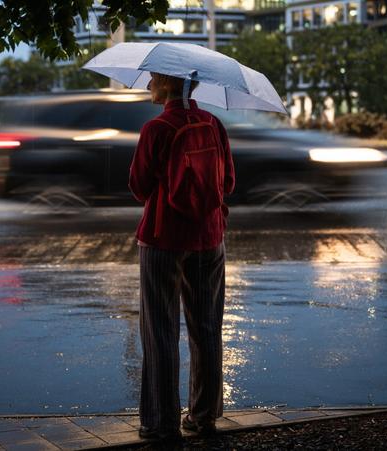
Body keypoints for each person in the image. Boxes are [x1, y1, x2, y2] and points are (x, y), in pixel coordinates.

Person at [129, 72, 235, 441]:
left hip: (163, 238)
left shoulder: (156, 129)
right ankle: (204, 415)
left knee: (160, 330)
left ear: (171, 85)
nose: (148, 86)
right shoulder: (213, 124)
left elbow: (138, 186)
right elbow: (229, 183)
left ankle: (161, 422)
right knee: (206, 327)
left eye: (154, 79)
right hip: (209, 238)